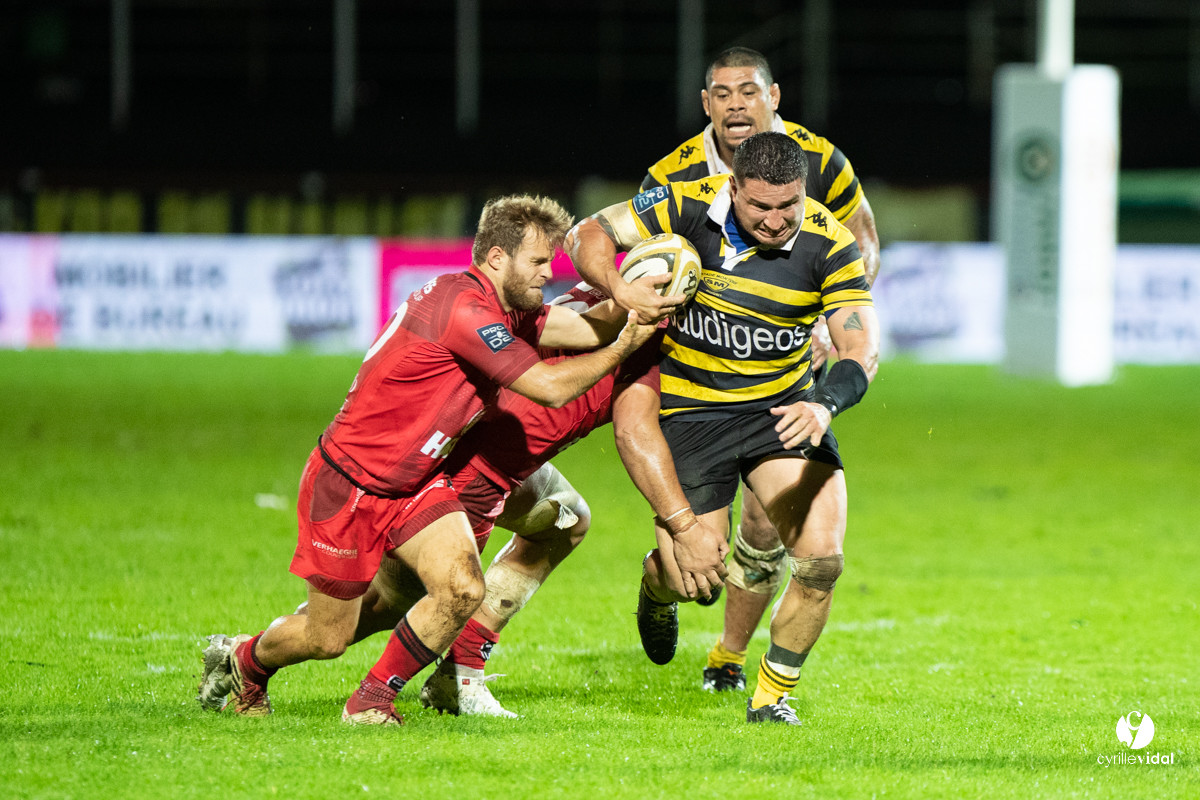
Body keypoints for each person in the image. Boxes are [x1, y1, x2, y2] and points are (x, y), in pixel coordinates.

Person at [196, 195, 662, 725]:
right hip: (350, 484)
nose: (547, 273)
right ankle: (243, 661)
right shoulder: (463, 309)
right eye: (537, 262)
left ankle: (371, 700)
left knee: (463, 587)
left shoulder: (505, 308)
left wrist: (634, 301)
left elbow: (585, 330)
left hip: (417, 483)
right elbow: (549, 387)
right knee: (329, 637)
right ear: (495, 259)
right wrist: (627, 345)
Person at [566, 131, 879, 724]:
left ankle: (770, 698)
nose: (776, 219)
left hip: (781, 414)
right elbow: (586, 234)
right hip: (693, 415)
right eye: (760, 206)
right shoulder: (685, 204)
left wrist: (826, 404)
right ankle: (655, 588)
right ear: (733, 187)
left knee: (821, 563)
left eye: (788, 204)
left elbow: (860, 348)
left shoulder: (829, 244)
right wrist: (619, 286)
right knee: (695, 581)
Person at [332, 285, 726, 718]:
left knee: (566, 518)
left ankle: (459, 676)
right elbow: (634, 432)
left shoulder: (600, 291)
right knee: (380, 608)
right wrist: (685, 525)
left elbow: (591, 236)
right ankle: (262, 658)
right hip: (476, 472)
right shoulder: (651, 337)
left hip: (495, 456)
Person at [633, 46, 883, 693]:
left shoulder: (820, 160)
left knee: (772, 525)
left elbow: (862, 242)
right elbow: (638, 263)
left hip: (785, 382)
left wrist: (834, 324)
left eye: (750, 91)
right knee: (698, 569)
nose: (737, 103)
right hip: (700, 389)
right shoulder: (673, 177)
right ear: (706, 105)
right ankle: (658, 586)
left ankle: (732, 660)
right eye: (723, 93)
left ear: (775, 98)